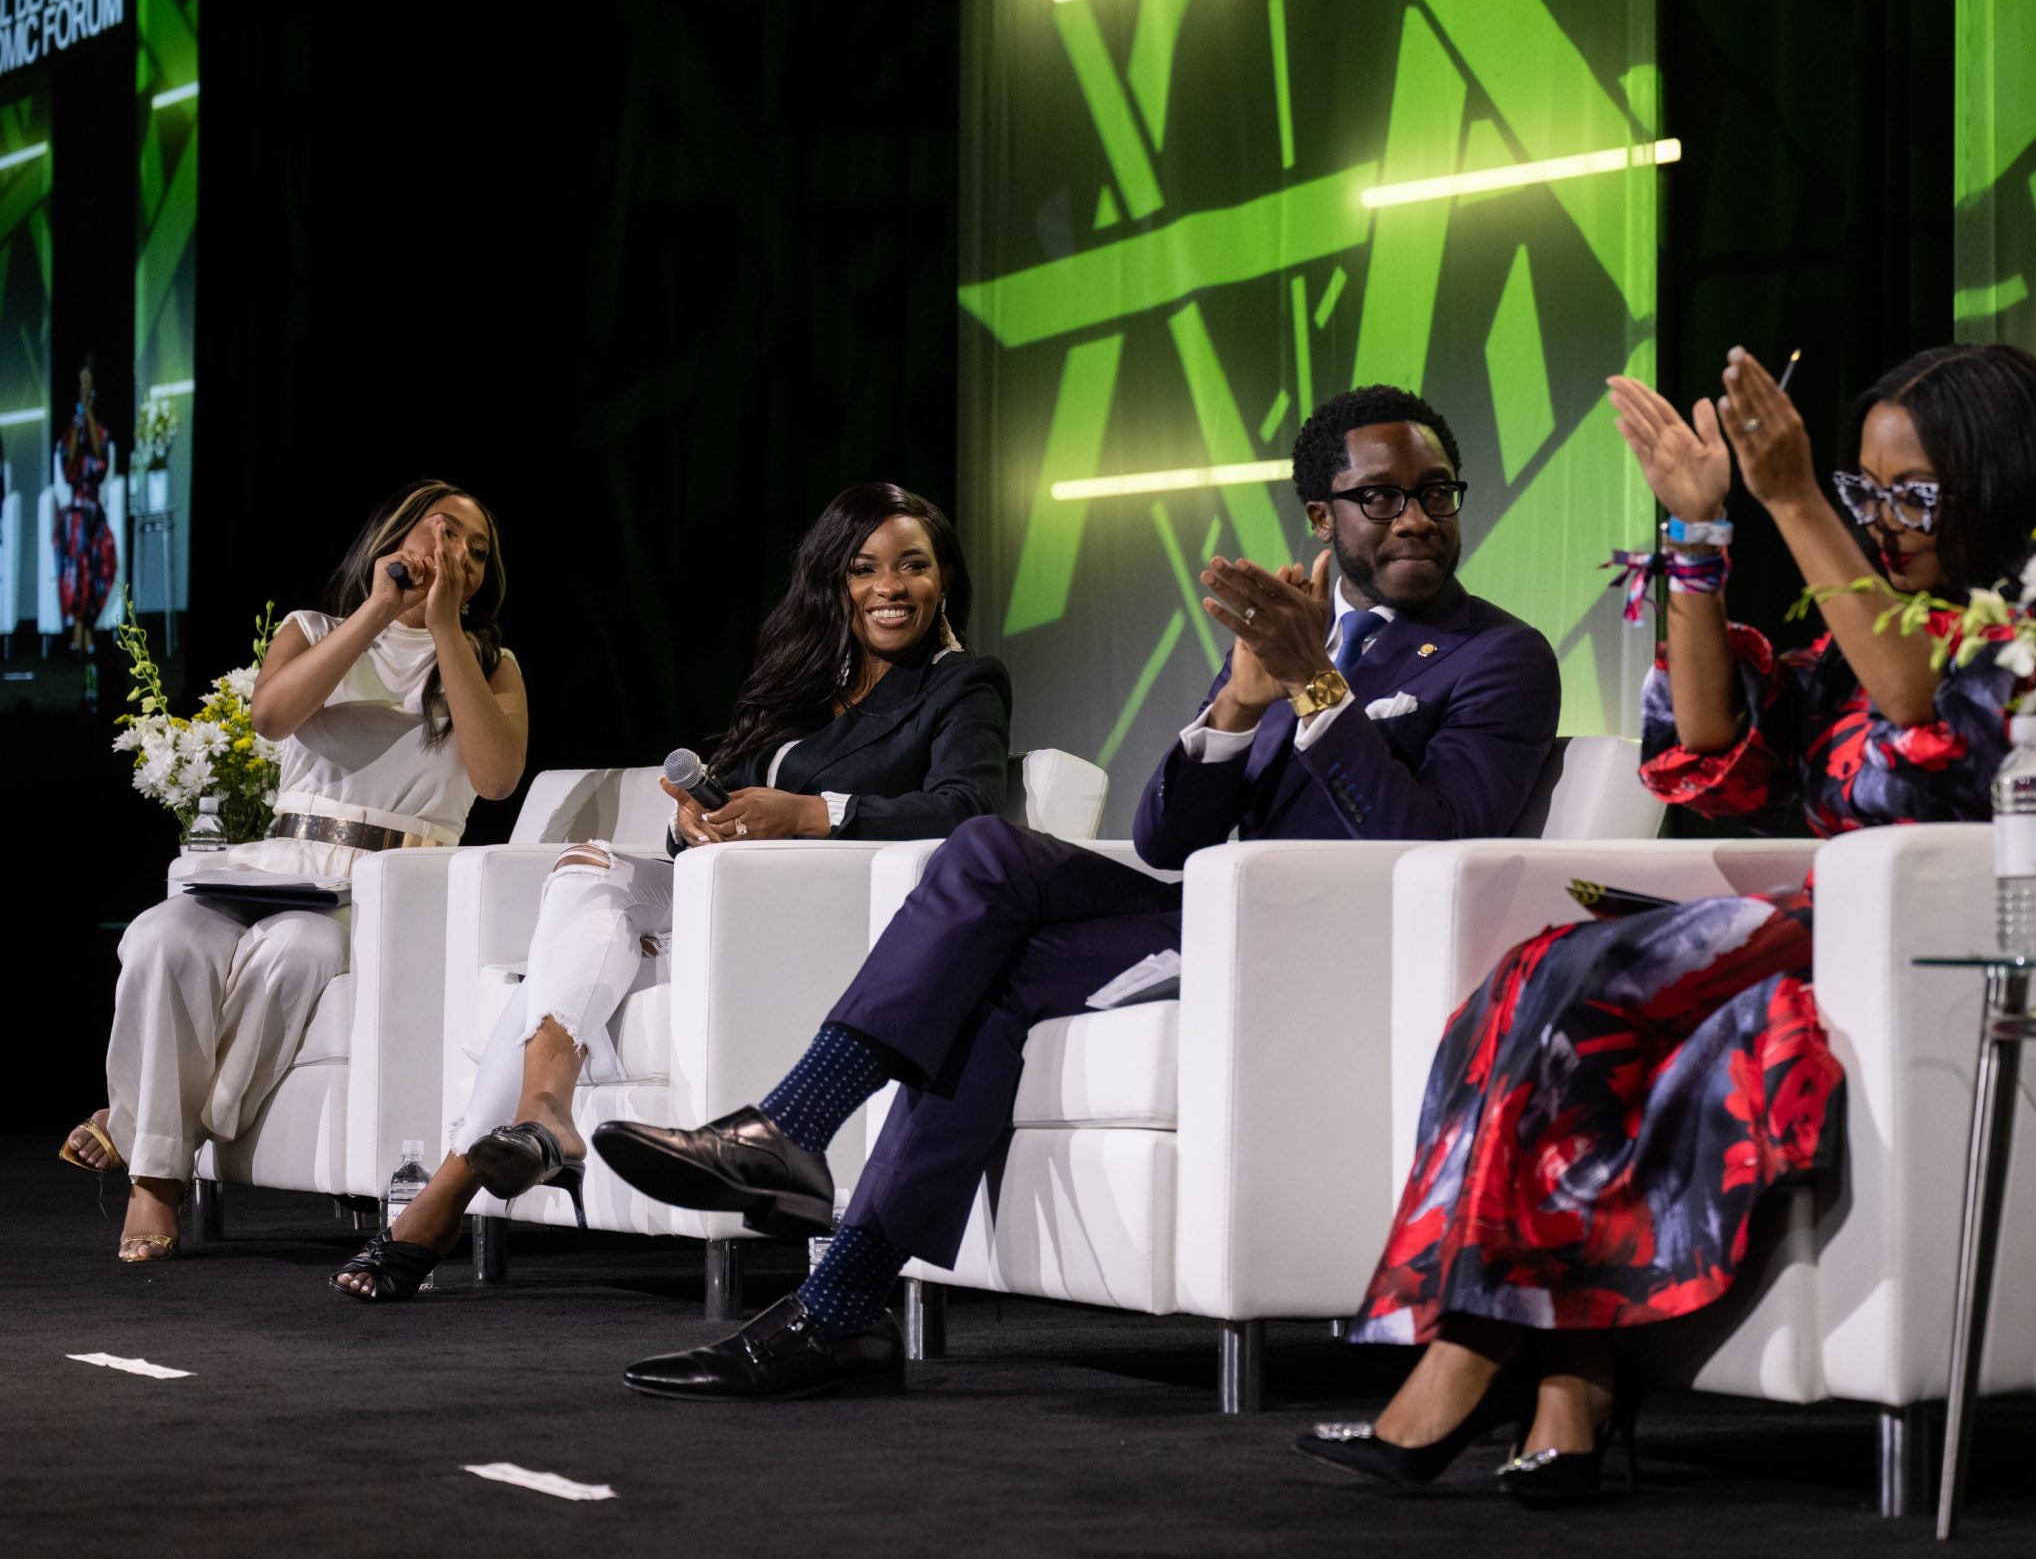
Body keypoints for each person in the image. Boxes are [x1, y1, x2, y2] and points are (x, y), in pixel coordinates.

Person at [594, 384, 1564, 1400]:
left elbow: (1433, 845)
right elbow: (1167, 834)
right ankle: (799, 1160)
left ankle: (828, 1284)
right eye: (1382, 496)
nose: (1414, 515)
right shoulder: (1292, 635)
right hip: (1217, 915)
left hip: (1327, 946)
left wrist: (1317, 683)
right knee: (986, 849)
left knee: (987, 978)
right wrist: (1240, 695)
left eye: (1435, 490)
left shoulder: (1498, 656)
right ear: (1321, 516)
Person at [1299, 344, 2036, 1504]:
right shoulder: (1861, 627)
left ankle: (1473, 1352)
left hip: (1953, 952)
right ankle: (1569, 1385)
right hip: (1833, 939)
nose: (1883, 520)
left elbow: (1922, 703)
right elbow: (1712, 758)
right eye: (1864, 492)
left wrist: (1792, 498)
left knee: (1571, 970)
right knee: (1549, 978)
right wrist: (1697, 538)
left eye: (1911, 492)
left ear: (2004, 478)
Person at [332, 484, 1012, 1300]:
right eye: (865, 570)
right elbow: (729, 796)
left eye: (912, 568)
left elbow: (965, 807)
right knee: (589, 871)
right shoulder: (806, 680)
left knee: (543, 980)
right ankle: (542, 1110)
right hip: (727, 902)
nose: (889, 588)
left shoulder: (962, 683)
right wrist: (695, 823)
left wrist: (810, 812)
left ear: (944, 582)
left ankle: (453, 1188)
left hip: (830, 917)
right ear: (836, 581)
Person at [59, 480, 528, 1262]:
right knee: (159, 938)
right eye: (443, 533)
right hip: (278, 861)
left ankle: (150, 1162)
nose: (460, 557)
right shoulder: (313, 629)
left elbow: (496, 778)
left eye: (478, 552)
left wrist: (443, 627)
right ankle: (154, 1160)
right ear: (395, 536)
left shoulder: (489, 661)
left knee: (299, 954)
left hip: (384, 887)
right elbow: (272, 717)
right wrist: (381, 611)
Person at [55, 354, 119, 656]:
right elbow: (69, 468)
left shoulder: (101, 433)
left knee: (98, 557)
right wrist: (78, 422)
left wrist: (89, 412)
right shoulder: (68, 435)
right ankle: (81, 627)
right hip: (74, 516)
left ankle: (84, 627)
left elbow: (99, 456)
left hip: (94, 512)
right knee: (76, 551)